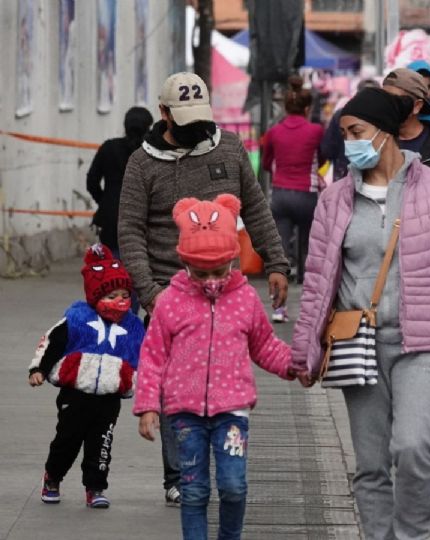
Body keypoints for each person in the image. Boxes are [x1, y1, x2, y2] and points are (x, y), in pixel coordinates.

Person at [290, 88, 430, 540]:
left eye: (357, 132)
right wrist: (304, 350)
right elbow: (317, 281)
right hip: (355, 343)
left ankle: (412, 535)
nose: (349, 143)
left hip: (422, 342)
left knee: (412, 446)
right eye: (345, 134)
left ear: (385, 134)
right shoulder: (335, 200)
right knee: (370, 462)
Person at [118, 71, 289, 507]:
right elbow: (131, 232)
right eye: (184, 119)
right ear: (163, 114)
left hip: (227, 288)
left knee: (226, 377)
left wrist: (276, 262)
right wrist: (151, 292)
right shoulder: (142, 164)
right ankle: (179, 474)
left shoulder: (229, 148)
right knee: (175, 384)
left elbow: (255, 207)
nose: (197, 128)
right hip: (168, 293)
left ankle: (224, 467)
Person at [134, 195, 299, 540]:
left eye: (219, 270)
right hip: (184, 413)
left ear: (232, 260)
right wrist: (148, 405)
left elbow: (265, 345)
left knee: (233, 485)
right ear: (185, 262)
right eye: (200, 271)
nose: (210, 279)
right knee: (193, 492)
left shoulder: (244, 298)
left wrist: (295, 365)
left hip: (232, 411)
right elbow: (153, 354)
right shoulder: (171, 301)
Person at [28, 244, 145, 509]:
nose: (120, 301)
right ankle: (53, 477)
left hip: (109, 396)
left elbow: (144, 358)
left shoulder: (133, 327)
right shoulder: (78, 318)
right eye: (113, 294)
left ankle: (95, 488)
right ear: (96, 295)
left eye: (125, 295)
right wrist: (39, 369)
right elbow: (53, 343)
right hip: (75, 393)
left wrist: (143, 386)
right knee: (66, 441)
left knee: (101, 445)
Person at [262, 75, 325, 303]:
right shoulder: (317, 131)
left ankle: (279, 306)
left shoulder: (274, 132)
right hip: (307, 194)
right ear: (307, 108)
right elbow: (324, 156)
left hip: (281, 193)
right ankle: (308, 297)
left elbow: (266, 162)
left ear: (286, 107)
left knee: (281, 252)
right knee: (309, 245)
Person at [87, 107, 154, 253]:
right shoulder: (151, 152)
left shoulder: (108, 148)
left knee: (114, 268)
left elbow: (91, 181)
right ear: (148, 127)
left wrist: (105, 201)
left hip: (111, 218)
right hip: (144, 218)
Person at [321, 78, 381, 182]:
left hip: (344, 175)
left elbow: (328, 150)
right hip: (375, 180)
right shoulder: (384, 118)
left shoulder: (341, 115)